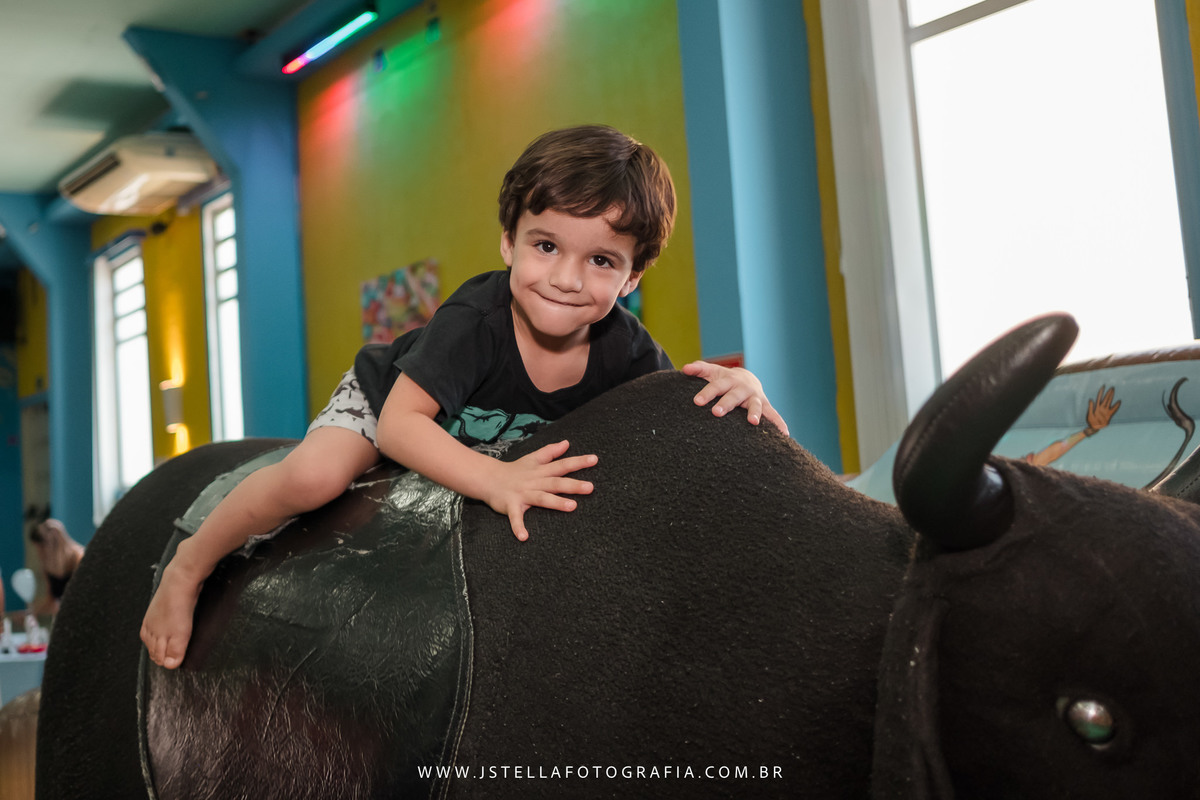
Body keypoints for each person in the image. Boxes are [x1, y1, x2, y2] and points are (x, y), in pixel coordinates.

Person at [141, 124, 789, 669]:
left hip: (479, 439)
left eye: (601, 261)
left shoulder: (626, 350)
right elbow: (400, 427)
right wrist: (494, 480)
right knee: (314, 477)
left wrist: (746, 385)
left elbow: (669, 418)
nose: (566, 278)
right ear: (508, 241)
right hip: (391, 401)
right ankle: (190, 564)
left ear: (631, 277)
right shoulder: (476, 321)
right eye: (545, 246)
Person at [30, 518, 85, 615]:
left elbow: (83, 595)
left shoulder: (78, 558)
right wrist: (31, 614)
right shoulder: (47, 566)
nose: (39, 553)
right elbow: (51, 601)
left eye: (42, 548)